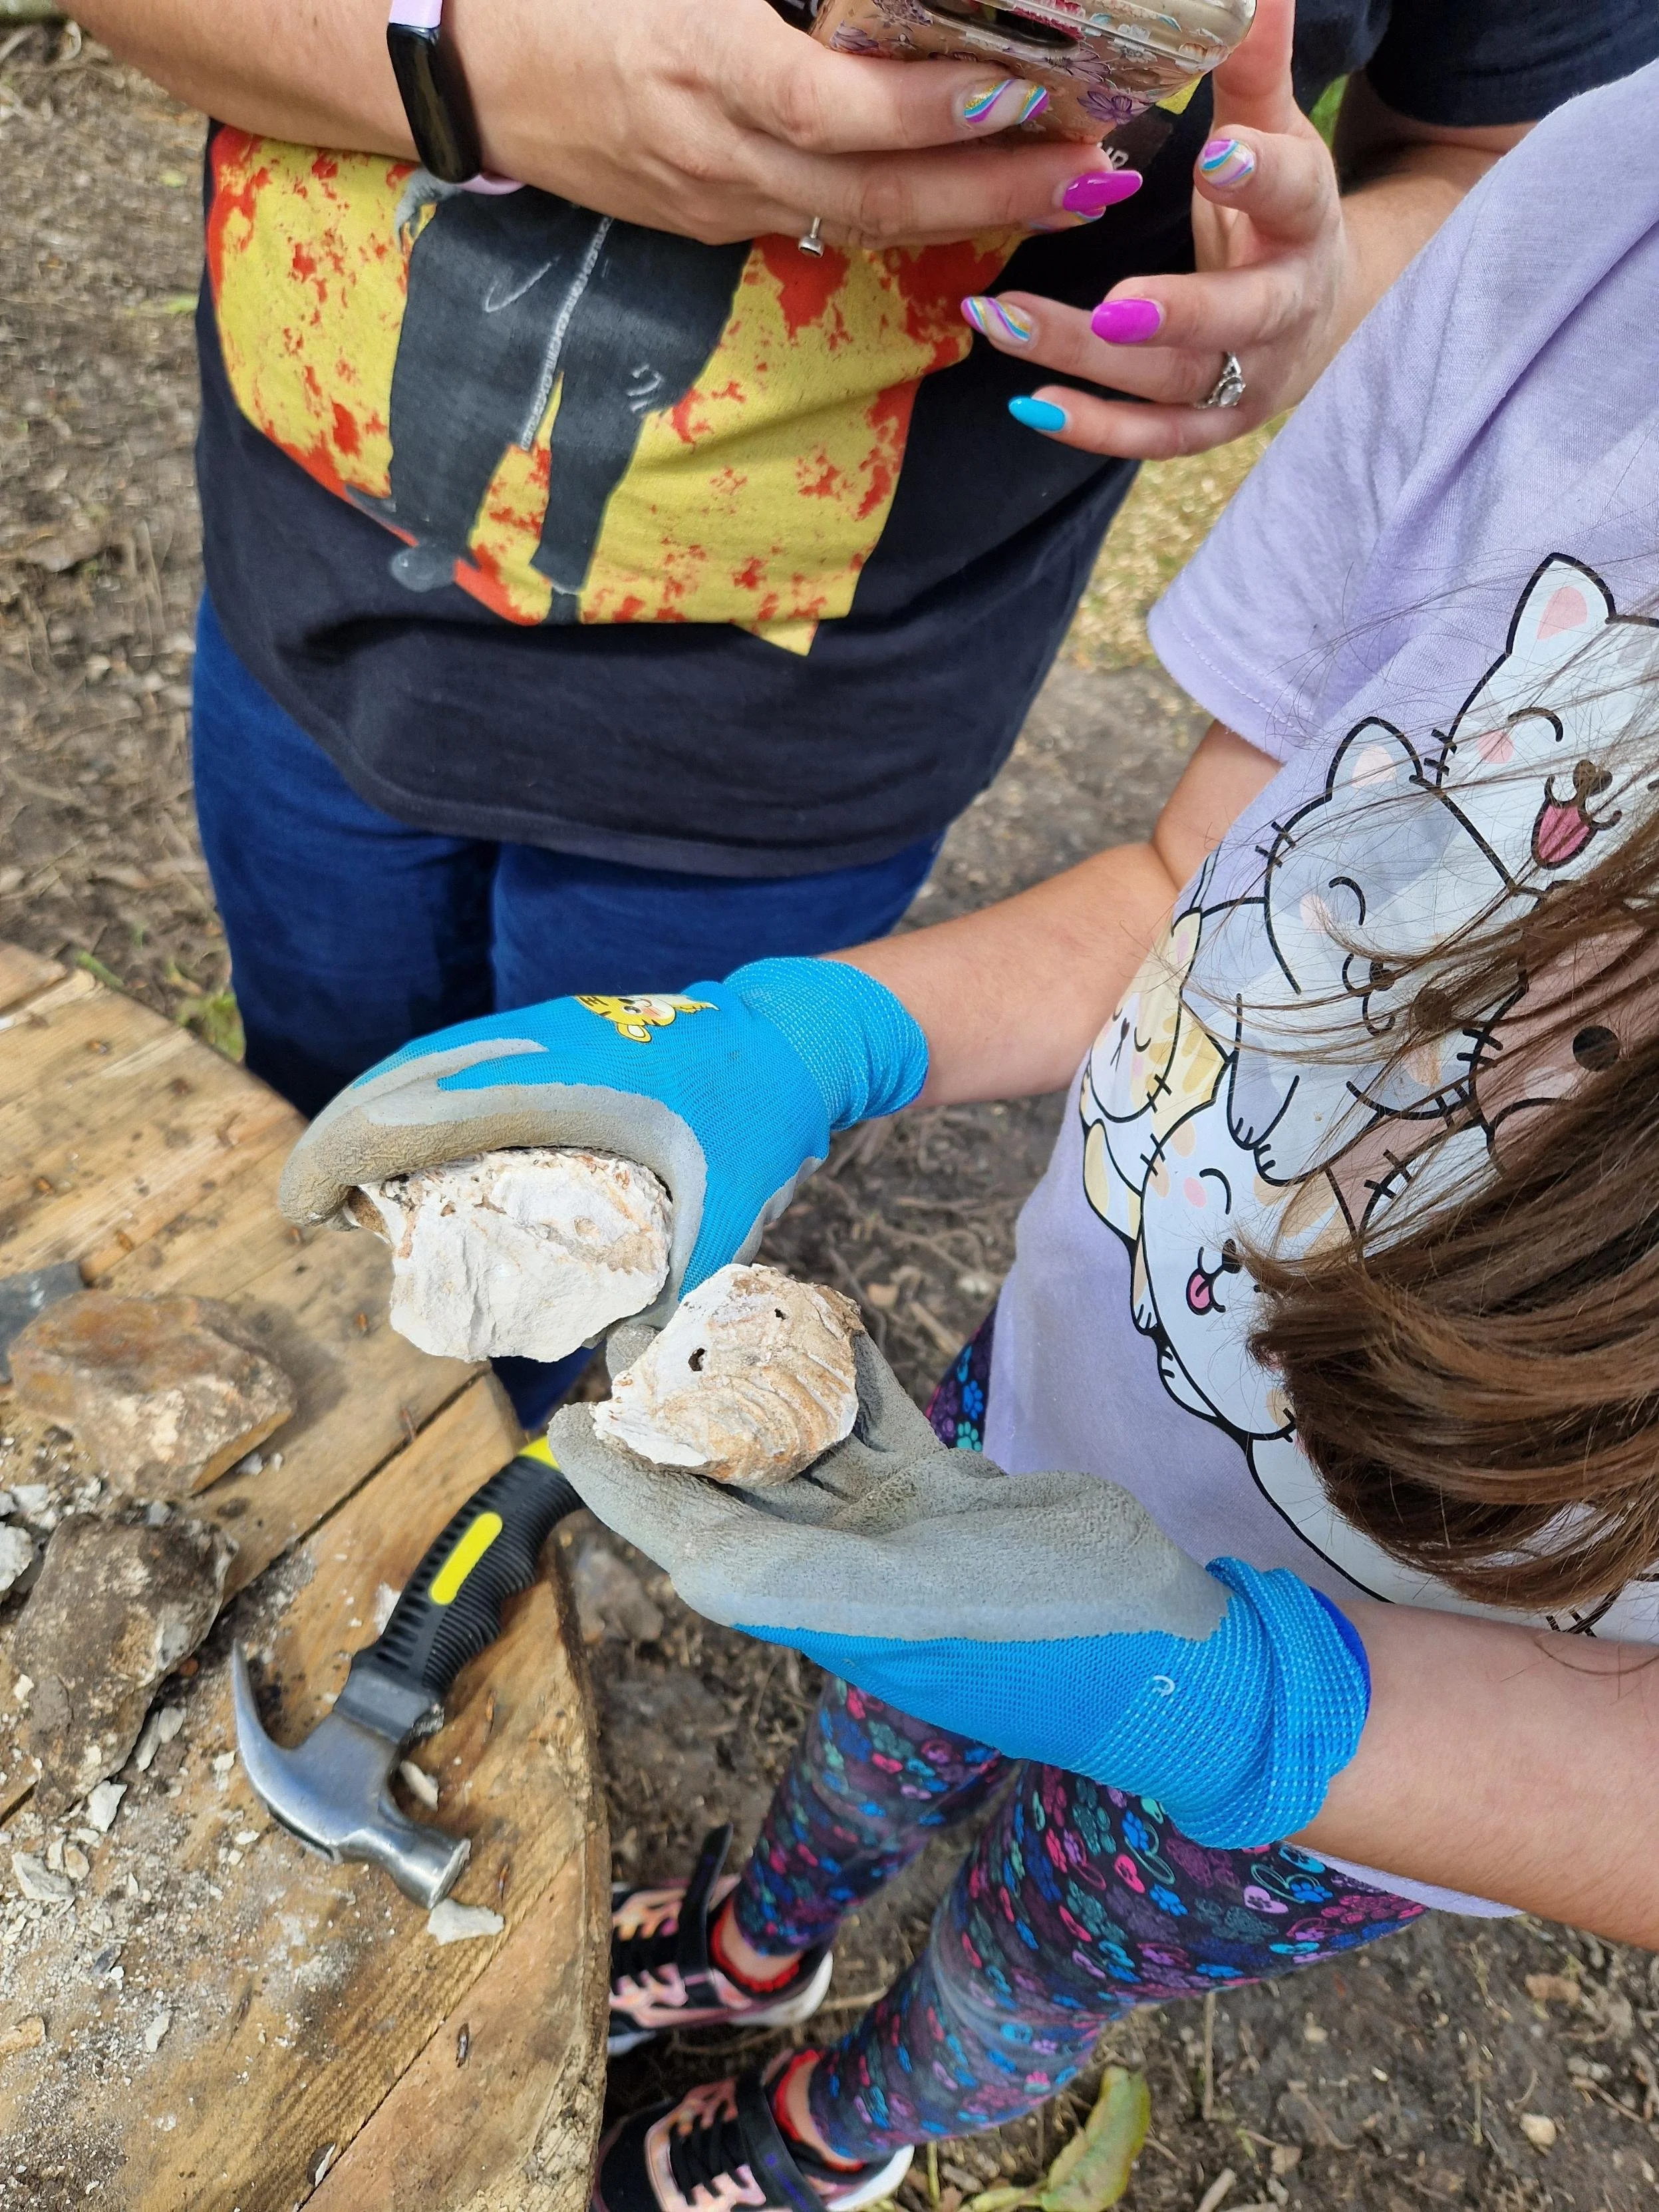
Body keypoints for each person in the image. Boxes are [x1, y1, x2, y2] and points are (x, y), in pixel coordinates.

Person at [286, 55, 1659, 2212]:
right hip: (1036, 1415)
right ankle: (757, 1943)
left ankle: (846, 2120)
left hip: (1402, 1744)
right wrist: (807, 1035)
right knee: (868, 1728)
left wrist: (1253, 1716)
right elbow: (1182, 885)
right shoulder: (1609, 210)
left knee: (1051, 1945)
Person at [73, 0, 1652, 1150]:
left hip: (800, 740)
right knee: (311, 1101)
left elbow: (1487, 149)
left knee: (587, 1218)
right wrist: (464, 67)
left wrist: (1322, 302)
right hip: (309, 593)